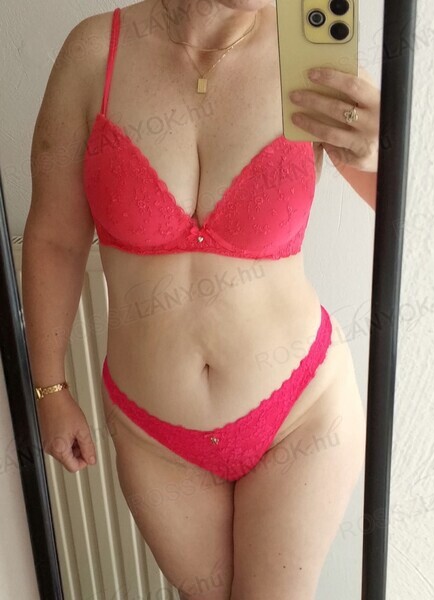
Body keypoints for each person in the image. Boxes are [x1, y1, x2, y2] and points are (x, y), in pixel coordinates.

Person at [23, 1, 379, 598]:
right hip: (155, 439)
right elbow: (55, 239)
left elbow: (402, 217)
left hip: (299, 412)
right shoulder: (93, 54)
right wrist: (49, 388)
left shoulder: (307, 46)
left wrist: (379, 154)